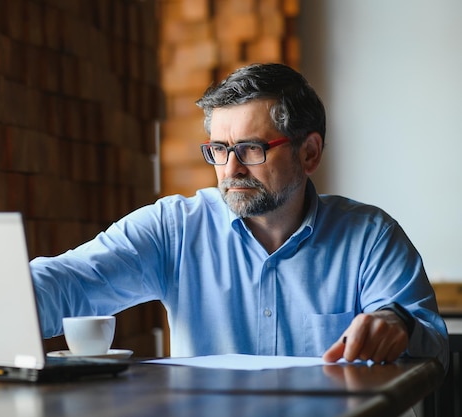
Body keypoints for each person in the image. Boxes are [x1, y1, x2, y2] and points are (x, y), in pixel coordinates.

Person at [30, 63, 449, 368]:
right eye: (218, 150)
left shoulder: (370, 237)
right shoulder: (174, 228)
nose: (230, 170)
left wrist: (397, 323)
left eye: (251, 149)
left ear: (310, 153)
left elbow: (434, 344)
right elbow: (69, 283)